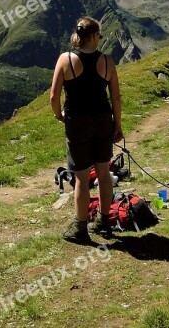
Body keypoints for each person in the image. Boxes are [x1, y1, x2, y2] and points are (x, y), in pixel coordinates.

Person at [50, 17, 123, 243]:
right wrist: (117, 125)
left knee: (81, 177)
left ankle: (81, 228)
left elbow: (54, 96)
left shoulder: (65, 59)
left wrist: (59, 115)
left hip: (77, 121)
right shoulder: (107, 61)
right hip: (103, 120)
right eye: (99, 36)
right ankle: (104, 221)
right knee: (103, 173)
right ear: (94, 36)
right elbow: (116, 98)